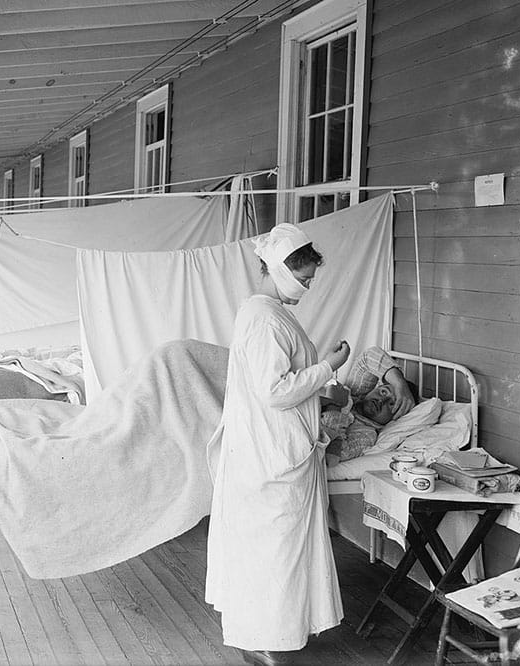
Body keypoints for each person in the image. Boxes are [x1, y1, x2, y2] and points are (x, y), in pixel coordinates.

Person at [205, 223, 350, 664]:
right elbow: (274, 390)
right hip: (269, 454)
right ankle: (264, 639)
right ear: (281, 271)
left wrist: (324, 391)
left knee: (277, 548)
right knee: (274, 550)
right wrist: (329, 366)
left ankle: (274, 633)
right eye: (303, 279)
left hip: (271, 447)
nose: (307, 288)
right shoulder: (264, 317)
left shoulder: (269, 312)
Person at [321, 347, 419, 462]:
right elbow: (368, 356)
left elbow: (335, 454)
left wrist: (335, 405)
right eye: (383, 392)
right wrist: (399, 384)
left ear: (396, 417)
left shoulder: (367, 435)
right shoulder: (355, 393)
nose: (381, 401)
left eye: (392, 404)